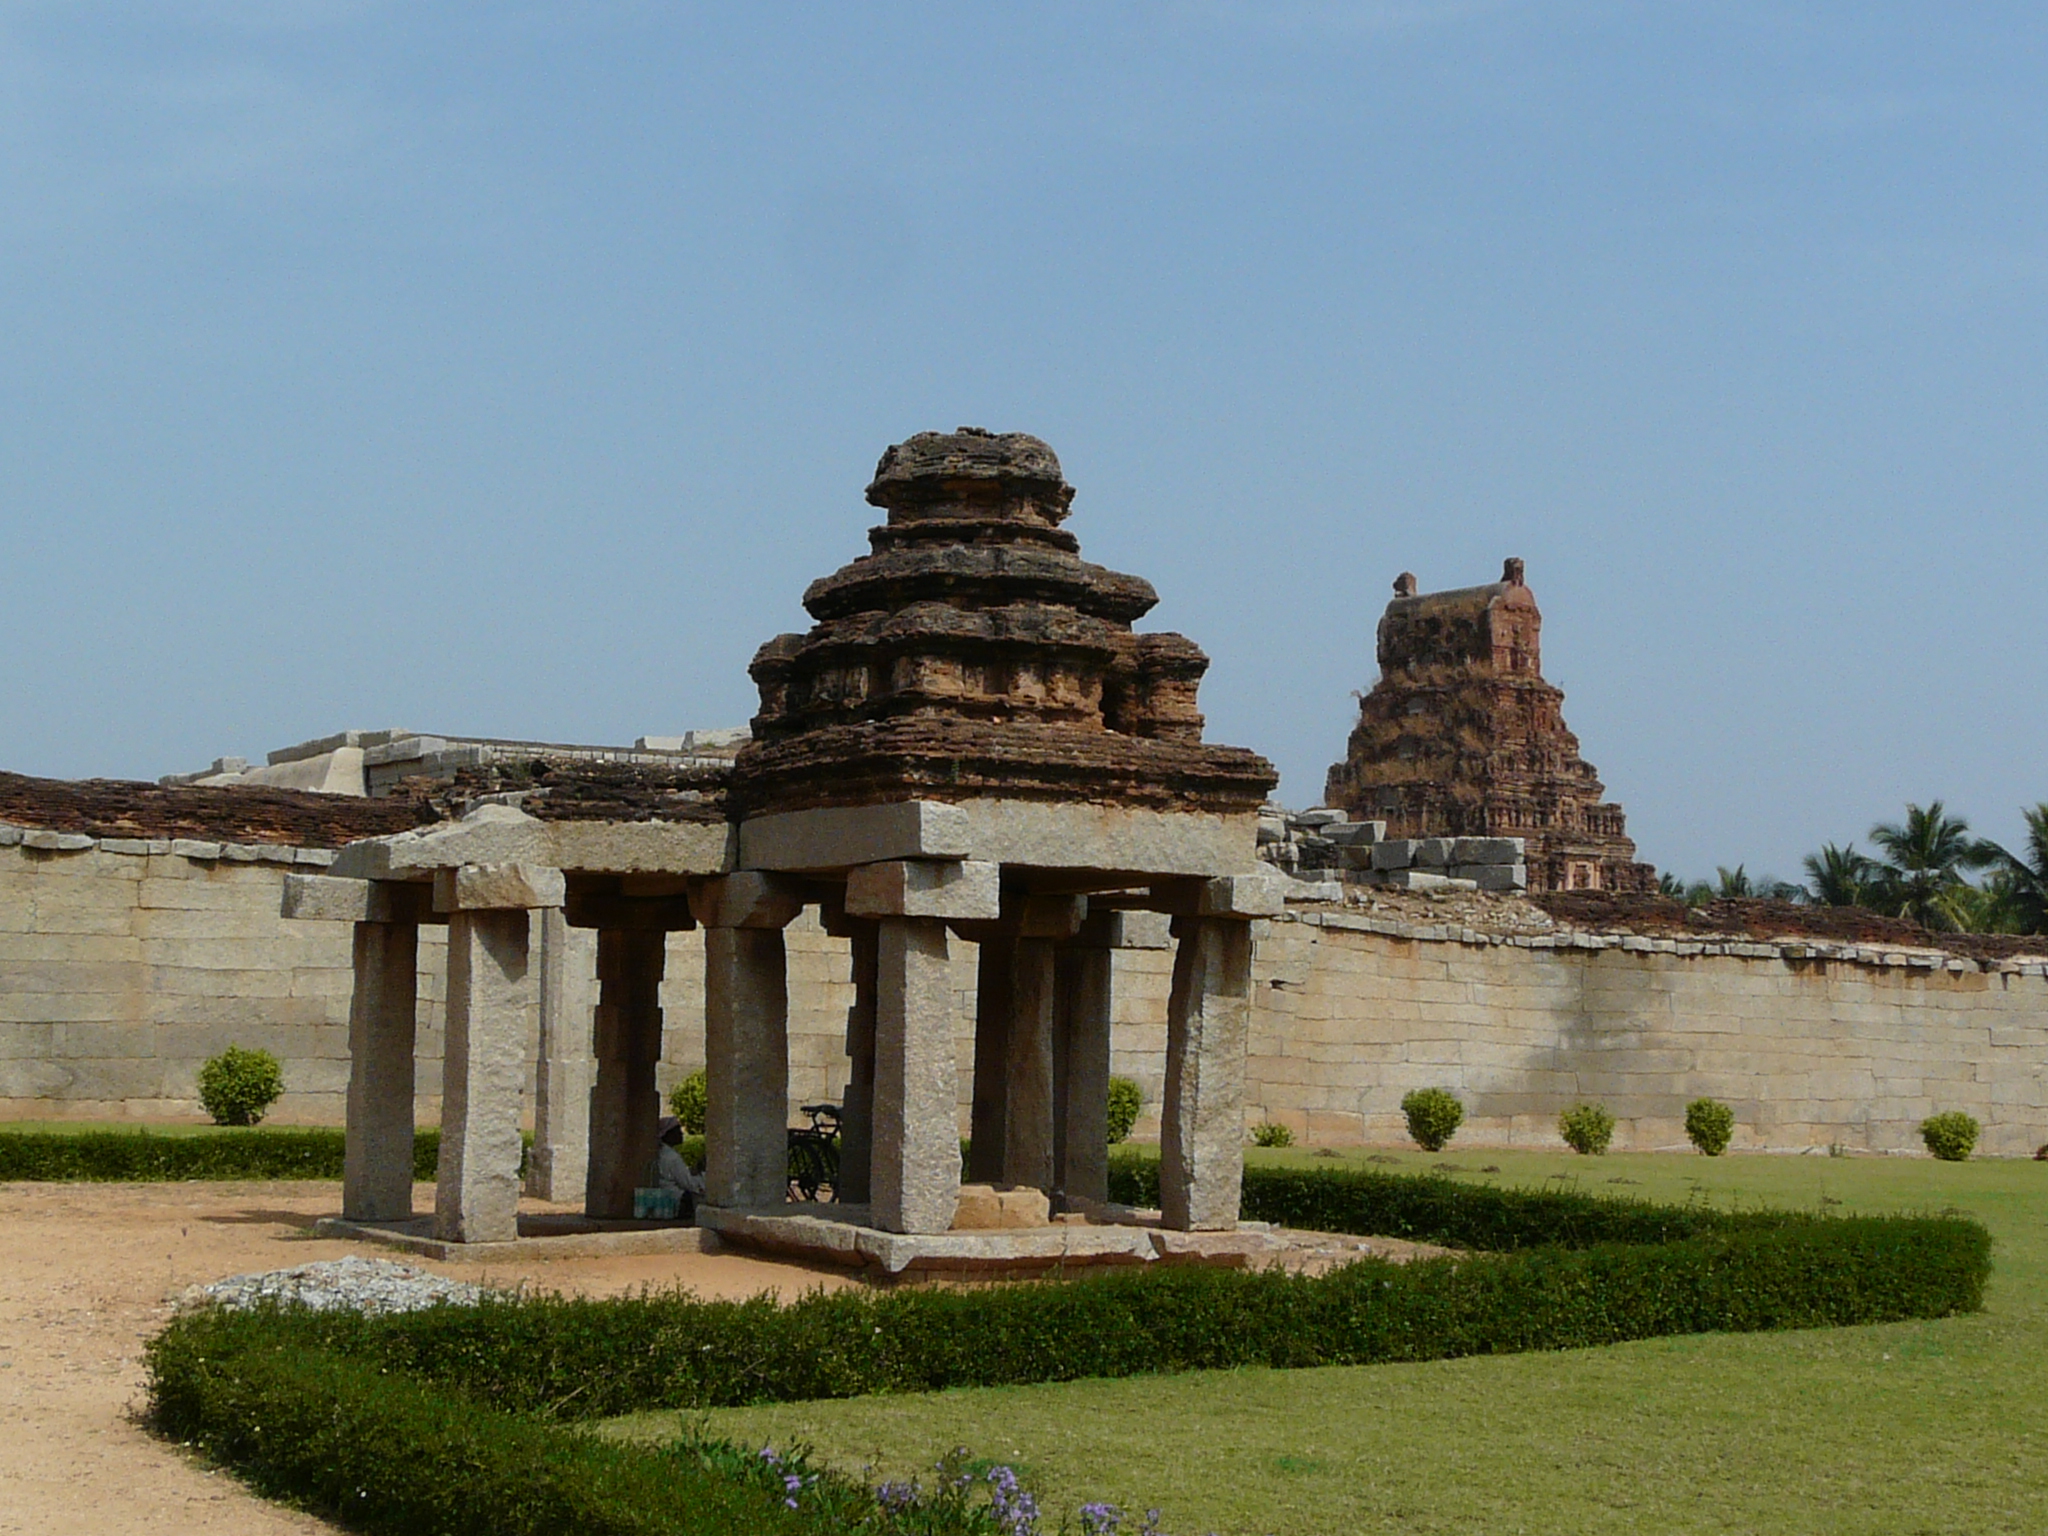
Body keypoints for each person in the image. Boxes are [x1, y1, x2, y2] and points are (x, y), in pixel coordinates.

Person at [647, 1115, 704, 1215]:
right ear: (668, 1134)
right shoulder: (672, 1157)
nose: (681, 1133)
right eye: (677, 1130)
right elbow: (688, 1184)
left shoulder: (662, 1153)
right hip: (675, 1200)